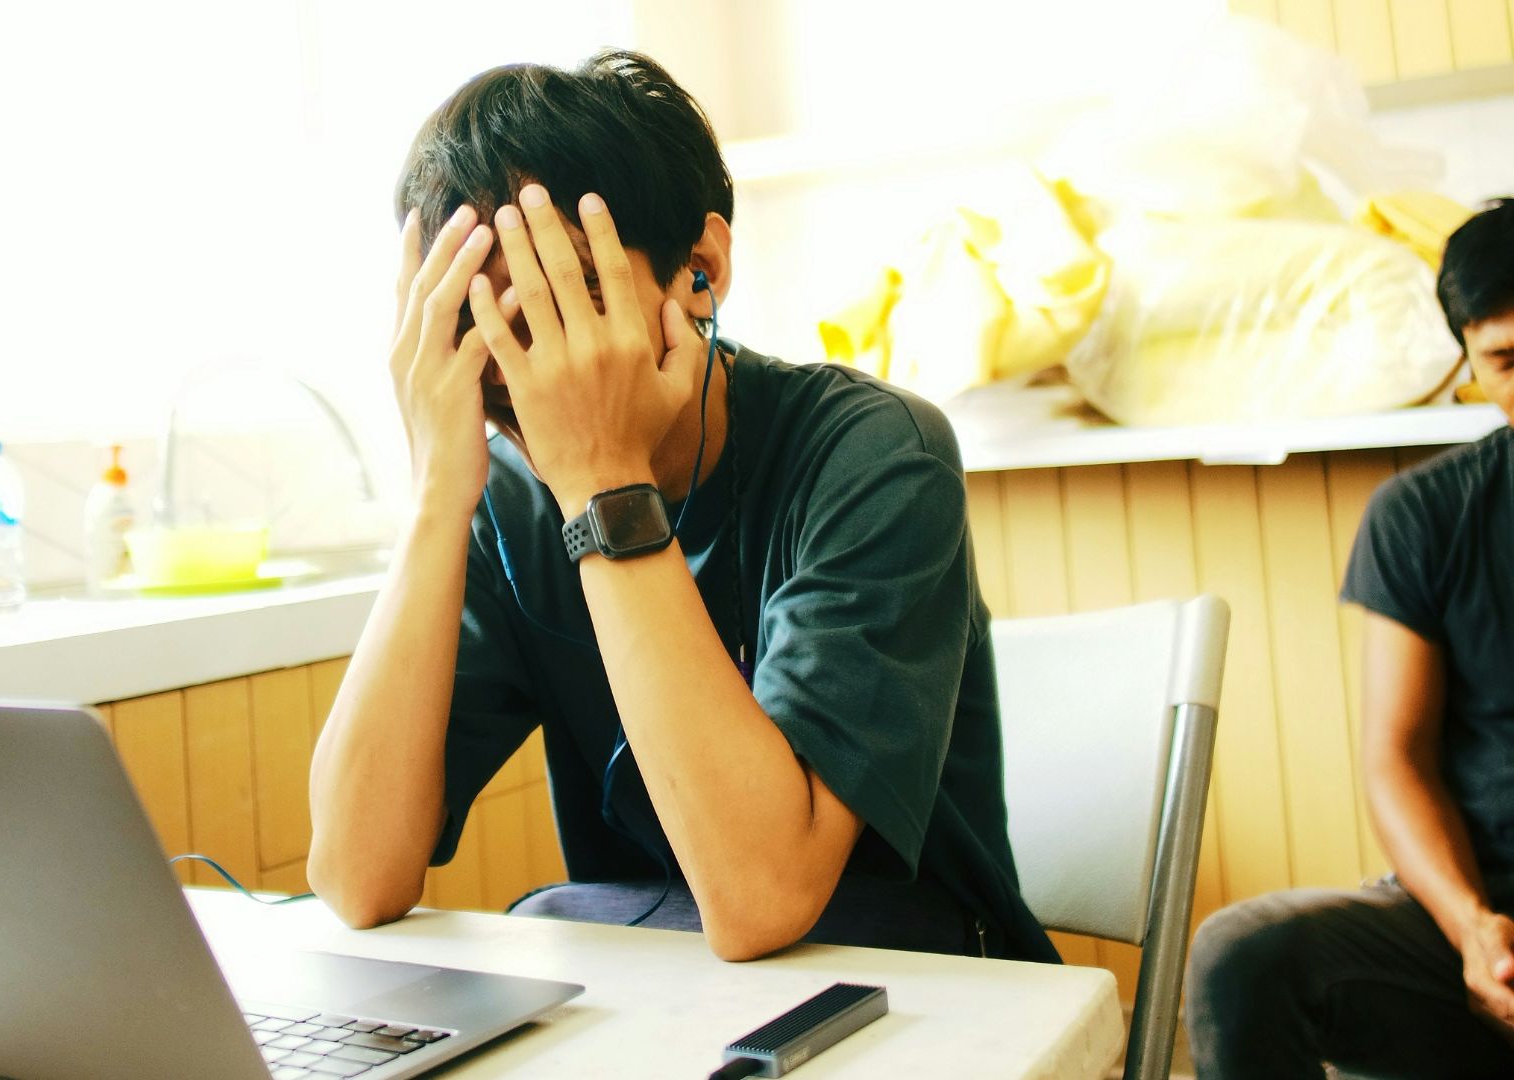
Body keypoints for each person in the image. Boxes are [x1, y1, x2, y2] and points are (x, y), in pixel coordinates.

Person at [305, 49, 1055, 964]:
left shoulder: (876, 452)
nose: (514, 364)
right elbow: (355, 874)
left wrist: (603, 481)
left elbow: (762, 898)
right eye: (471, 317)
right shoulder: (507, 501)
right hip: (670, 995)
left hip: (933, 991)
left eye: (557, 299)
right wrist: (433, 498)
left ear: (698, 270)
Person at [1186, 197, 1514, 1078]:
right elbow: (1395, 758)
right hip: (1473, 924)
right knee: (1241, 956)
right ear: (1471, 368)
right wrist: (1476, 933)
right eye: (1507, 361)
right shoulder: (1425, 515)